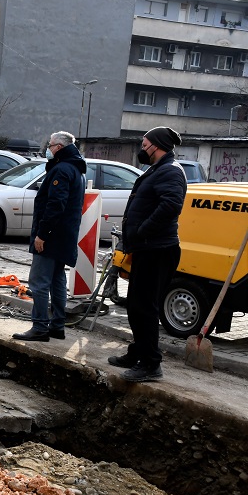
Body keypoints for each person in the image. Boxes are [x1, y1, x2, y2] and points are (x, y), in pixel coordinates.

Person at [109, 127, 186, 382]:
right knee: (135, 306)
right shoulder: (158, 169)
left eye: (145, 144)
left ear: (157, 145)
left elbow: (171, 205)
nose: (142, 149)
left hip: (158, 249)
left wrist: (142, 230)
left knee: (145, 307)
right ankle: (138, 353)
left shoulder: (170, 171)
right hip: (146, 248)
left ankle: (151, 364)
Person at [14, 131, 86, 342]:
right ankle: (57, 326)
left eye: (51, 145)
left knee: (39, 282)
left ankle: (40, 327)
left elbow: (55, 205)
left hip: (52, 237)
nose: (48, 148)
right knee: (57, 280)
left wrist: (42, 235)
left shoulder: (62, 170)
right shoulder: (75, 169)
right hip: (64, 237)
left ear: (59, 148)